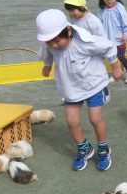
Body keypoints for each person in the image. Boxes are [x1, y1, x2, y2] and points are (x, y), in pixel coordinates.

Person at [36, 9, 122, 171]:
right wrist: (47, 65)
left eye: (56, 40)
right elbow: (47, 53)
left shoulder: (85, 42)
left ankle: (103, 148)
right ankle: (84, 148)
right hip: (71, 87)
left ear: (68, 31)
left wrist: (115, 66)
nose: (54, 44)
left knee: (95, 119)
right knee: (71, 121)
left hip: (93, 85)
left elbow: (109, 47)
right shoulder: (50, 43)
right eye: (49, 41)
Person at [97, 0, 127, 83]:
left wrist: (126, 33)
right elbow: (99, 24)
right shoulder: (102, 11)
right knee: (111, 57)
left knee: (121, 56)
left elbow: (126, 21)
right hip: (108, 39)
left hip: (120, 39)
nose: (109, 1)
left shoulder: (119, 8)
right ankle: (116, 72)